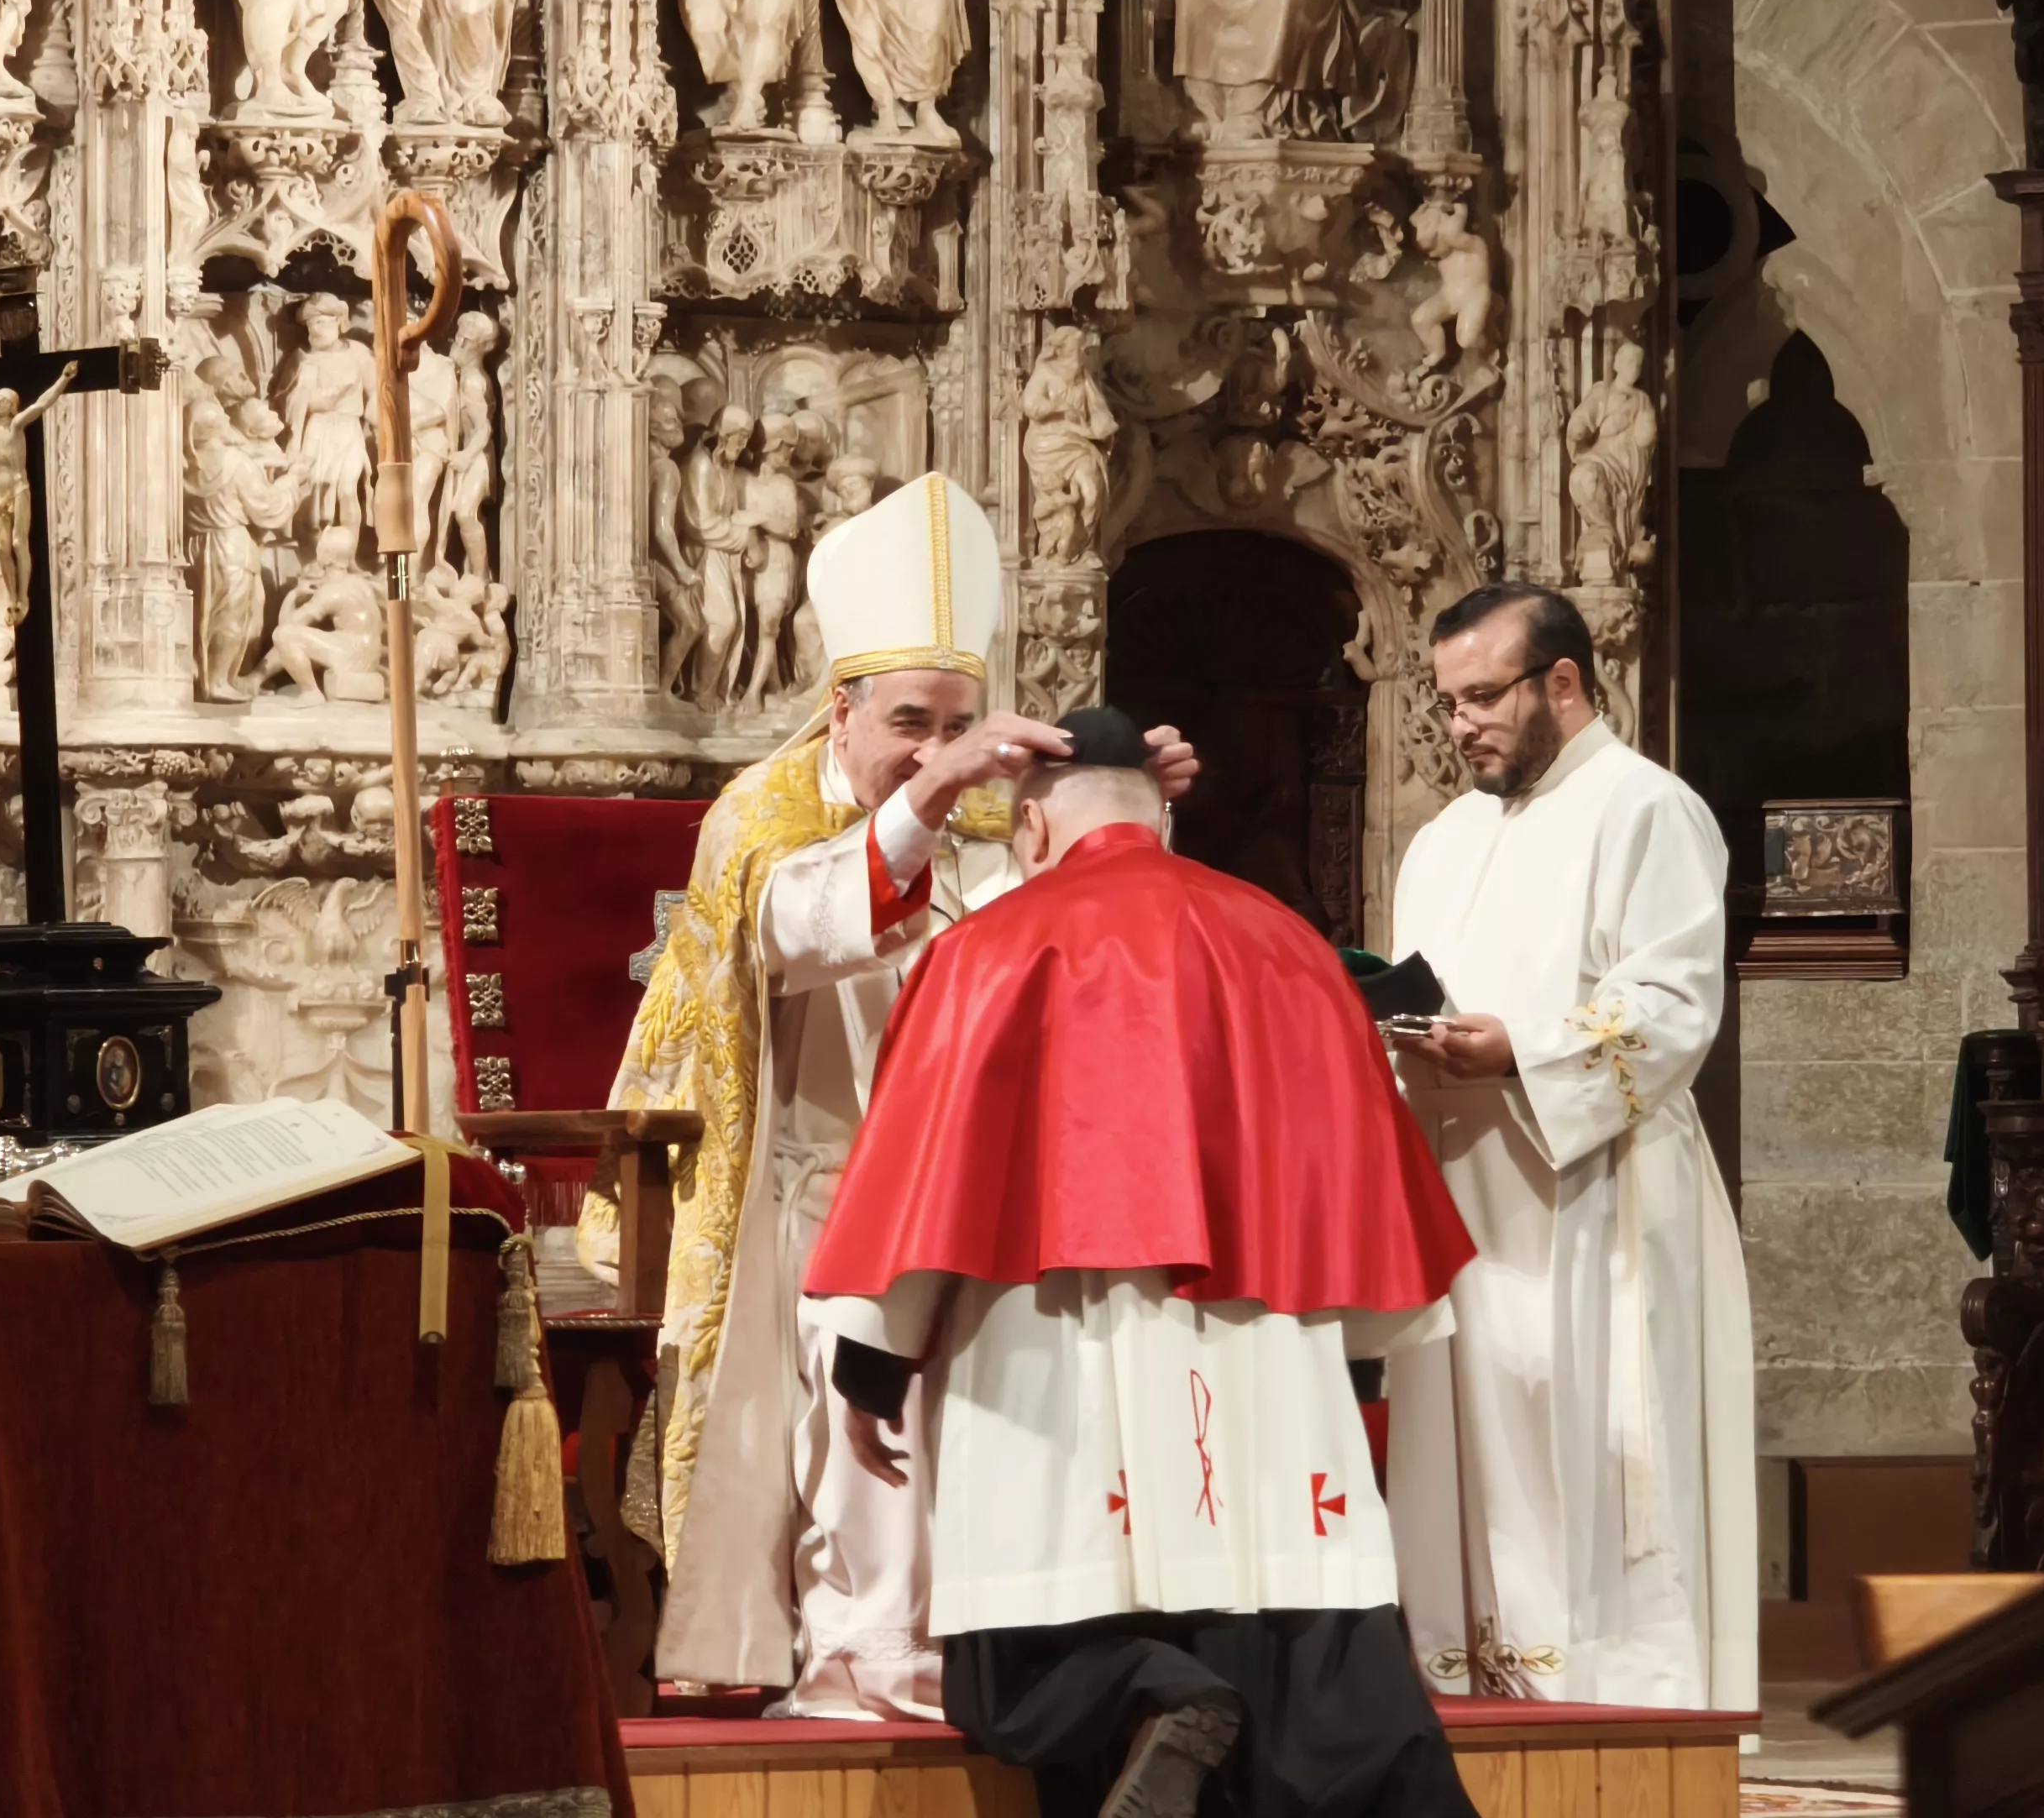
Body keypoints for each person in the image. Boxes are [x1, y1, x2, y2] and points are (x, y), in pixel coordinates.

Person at [590, 473, 1197, 1718]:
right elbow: (803, 930)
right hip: (819, 1204)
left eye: (961, 721)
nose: (940, 749)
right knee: (861, 1443)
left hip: (988, 1206)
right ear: (841, 708)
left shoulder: (988, 812)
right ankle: (859, 1678)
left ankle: (1012, 1671)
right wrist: (929, 797)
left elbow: (1078, 950)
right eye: (913, 721)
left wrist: (1125, 812)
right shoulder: (762, 813)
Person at [804, 706, 1480, 1818]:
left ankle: (1142, 1695)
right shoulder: (1292, 947)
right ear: (1161, 813)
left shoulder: (984, 952)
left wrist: (871, 1373)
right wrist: (1358, 1369)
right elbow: (1354, 1174)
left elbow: (925, 1169)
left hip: (1048, 1367)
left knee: (1019, 1661)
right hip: (1269, 1371)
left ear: (1030, 831)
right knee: (1310, 1683)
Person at [1384, 581, 1755, 1714]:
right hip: (1464, 1195)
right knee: (1474, 1444)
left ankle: (1619, 1715)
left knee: (1597, 1454)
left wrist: (1521, 1052)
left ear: (1563, 683)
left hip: (1597, 1195)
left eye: (1485, 696)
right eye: (1448, 704)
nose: (1463, 725)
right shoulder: (1446, 839)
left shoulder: (1649, 810)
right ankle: (1475, 1696)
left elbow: (1675, 1006)